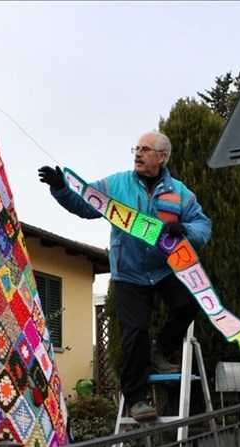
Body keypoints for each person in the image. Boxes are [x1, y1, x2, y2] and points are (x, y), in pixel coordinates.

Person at [38, 131, 212, 422]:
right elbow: (85, 204)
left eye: (145, 149)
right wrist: (61, 188)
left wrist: (187, 231)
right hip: (128, 272)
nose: (138, 154)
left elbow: (202, 225)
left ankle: (160, 351)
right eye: (136, 148)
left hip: (165, 268)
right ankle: (137, 398)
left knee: (190, 301)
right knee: (134, 331)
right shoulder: (117, 184)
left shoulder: (180, 193)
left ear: (162, 157)